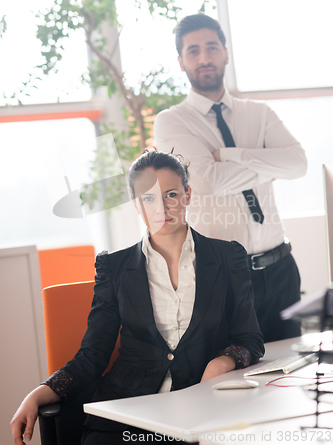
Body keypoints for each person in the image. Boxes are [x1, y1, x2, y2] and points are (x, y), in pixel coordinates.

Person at [10, 150, 264, 445]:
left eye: (170, 194)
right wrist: (37, 394)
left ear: (187, 195)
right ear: (136, 204)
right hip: (126, 413)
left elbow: (250, 339)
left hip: (201, 406)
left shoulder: (227, 256)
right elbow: (92, 356)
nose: (162, 208)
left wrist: (223, 361)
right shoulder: (114, 268)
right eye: (149, 198)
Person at [154, 13, 308, 343]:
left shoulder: (260, 113)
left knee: (292, 371)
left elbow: (297, 164)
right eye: (193, 51)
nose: (204, 57)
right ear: (180, 62)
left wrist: (231, 156)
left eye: (212, 47)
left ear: (226, 52)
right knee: (235, 378)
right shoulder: (171, 122)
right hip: (226, 276)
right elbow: (207, 182)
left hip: (281, 269)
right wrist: (268, 167)